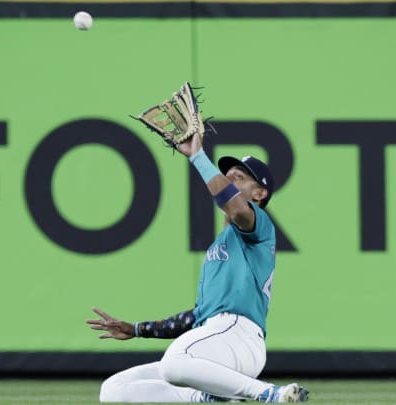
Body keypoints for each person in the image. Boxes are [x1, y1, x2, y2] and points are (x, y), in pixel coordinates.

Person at [86, 131, 309, 403]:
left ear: (260, 193)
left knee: (173, 362)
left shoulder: (258, 225)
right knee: (114, 390)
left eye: (239, 176)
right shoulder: (221, 246)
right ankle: (207, 398)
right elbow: (196, 317)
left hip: (238, 336)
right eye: (228, 175)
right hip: (214, 341)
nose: (228, 179)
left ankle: (268, 393)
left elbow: (237, 209)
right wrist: (135, 329)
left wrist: (198, 157)